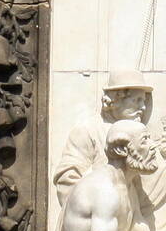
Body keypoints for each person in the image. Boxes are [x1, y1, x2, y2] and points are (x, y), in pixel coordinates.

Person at [53, 68, 153, 202]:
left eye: (144, 101)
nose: (143, 107)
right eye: (137, 100)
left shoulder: (141, 132)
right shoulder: (87, 130)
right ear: (115, 100)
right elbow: (67, 182)